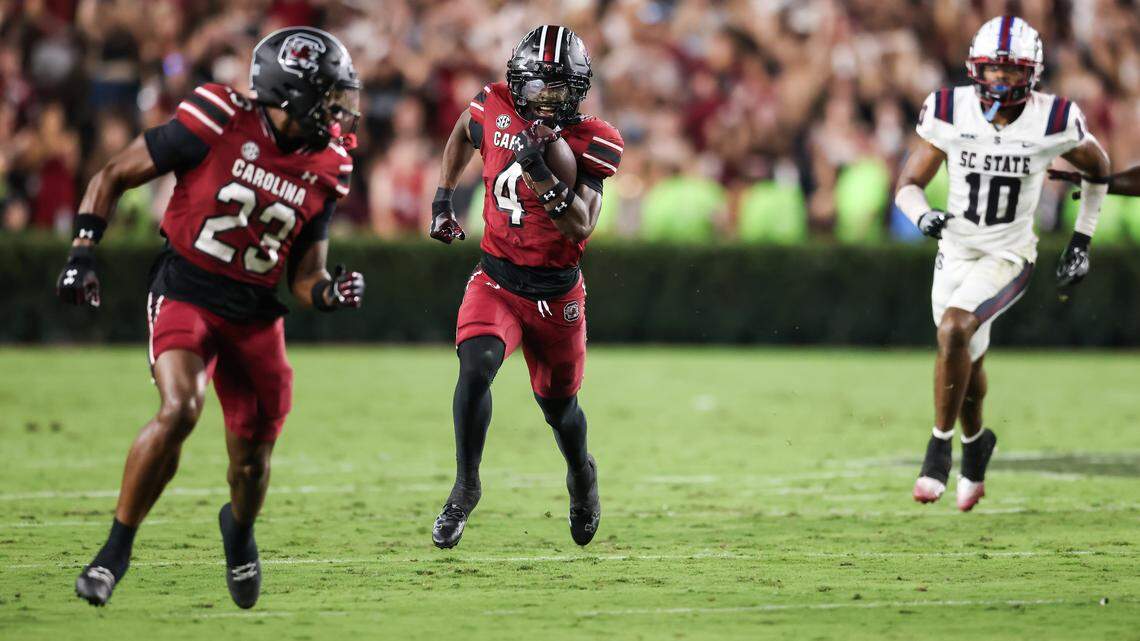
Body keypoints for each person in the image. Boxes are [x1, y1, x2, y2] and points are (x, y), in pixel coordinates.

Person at [57, 27, 366, 608]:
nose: (339, 108)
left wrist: (329, 293)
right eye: (328, 95)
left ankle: (239, 530)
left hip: (253, 313)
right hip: (187, 287)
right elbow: (112, 175)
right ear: (290, 93)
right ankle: (114, 552)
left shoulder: (329, 164)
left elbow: (304, 275)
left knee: (250, 464)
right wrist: (81, 253)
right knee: (180, 407)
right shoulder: (217, 116)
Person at [894, 16, 1110, 511]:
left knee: (953, 331)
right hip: (956, 249)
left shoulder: (1054, 119)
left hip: (1009, 254)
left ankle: (938, 450)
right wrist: (922, 215)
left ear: (1031, 74)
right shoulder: (948, 109)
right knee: (966, 359)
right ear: (976, 69)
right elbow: (907, 184)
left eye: (1012, 73)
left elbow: (1099, 170)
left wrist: (1082, 239)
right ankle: (976, 448)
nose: (1001, 82)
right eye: (993, 71)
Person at [428, 25, 623, 548]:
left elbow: (581, 226)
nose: (545, 98)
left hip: (556, 295)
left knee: (561, 409)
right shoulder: (491, 104)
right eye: (537, 86)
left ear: (578, 91)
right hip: (496, 277)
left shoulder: (594, 139)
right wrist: (443, 198)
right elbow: (460, 135)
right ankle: (465, 487)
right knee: (476, 368)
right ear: (517, 80)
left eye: (558, 89)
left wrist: (542, 174)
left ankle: (582, 476)